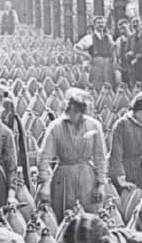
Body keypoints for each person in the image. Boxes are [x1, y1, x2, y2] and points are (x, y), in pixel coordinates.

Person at [39, 89, 108, 217]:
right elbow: (44, 157)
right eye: (74, 111)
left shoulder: (94, 126)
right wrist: (45, 184)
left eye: (81, 112)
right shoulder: (55, 127)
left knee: (89, 217)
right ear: (67, 108)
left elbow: (100, 157)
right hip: (63, 178)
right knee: (64, 215)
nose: (78, 115)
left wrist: (101, 184)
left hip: (87, 178)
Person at [83, 19, 117, 91]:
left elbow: (113, 48)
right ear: (94, 25)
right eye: (98, 23)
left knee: (109, 85)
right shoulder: (89, 37)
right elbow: (76, 48)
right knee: (96, 85)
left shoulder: (109, 37)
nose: (101, 24)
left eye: (102, 23)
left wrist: (114, 59)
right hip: (96, 63)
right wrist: (87, 56)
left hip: (108, 64)